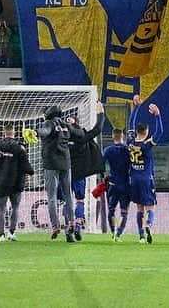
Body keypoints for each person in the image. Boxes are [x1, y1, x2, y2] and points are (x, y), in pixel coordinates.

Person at [0, 123, 34, 242]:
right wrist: (32, 173)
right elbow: (26, 166)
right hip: (16, 182)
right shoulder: (19, 147)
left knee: (1, 209)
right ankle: (11, 233)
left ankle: (1, 235)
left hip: (0, 183)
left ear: (4, 132)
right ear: (14, 133)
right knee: (15, 207)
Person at [63, 101, 105, 240]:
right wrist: (100, 113)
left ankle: (68, 228)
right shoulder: (81, 137)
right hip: (79, 174)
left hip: (65, 174)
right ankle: (78, 226)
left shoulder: (61, 138)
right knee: (80, 200)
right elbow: (97, 129)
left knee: (67, 202)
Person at [37, 104, 78, 242]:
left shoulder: (48, 123)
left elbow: (46, 131)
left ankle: (55, 226)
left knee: (52, 196)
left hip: (51, 164)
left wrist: (37, 132)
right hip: (66, 163)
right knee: (68, 195)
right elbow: (80, 134)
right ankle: (72, 221)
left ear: (48, 114)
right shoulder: (66, 125)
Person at [128, 97, 163, 244]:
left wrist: (136, 108)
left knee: (139, 208)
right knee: (150, 206)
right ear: (146, 132)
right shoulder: (147, 144)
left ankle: (141, 236)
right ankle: (148, 225)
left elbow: (130, 124)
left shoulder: (130, 141)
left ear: (136, 131)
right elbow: (160, 132)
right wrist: (157, 115)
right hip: (146, 179)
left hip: (134, 179)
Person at [102, 128, 131, 241]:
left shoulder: (108, 150)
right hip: (125, 183)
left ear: (112, 137)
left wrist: (104, 175)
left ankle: (113, 231)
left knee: (111, 209)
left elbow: (101, 164)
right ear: (122, 136)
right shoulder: (127, 150)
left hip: (112, 183)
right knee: (124, 211)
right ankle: (118, 234)